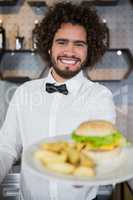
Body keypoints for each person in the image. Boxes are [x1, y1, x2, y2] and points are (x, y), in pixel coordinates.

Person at [0, 1, 116, 200]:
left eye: (79, 44)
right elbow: (6, 146)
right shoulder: (24, 93)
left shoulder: (100, 97)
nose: (70, 52)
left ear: (89, 51)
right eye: (62, 42)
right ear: (49, 47)